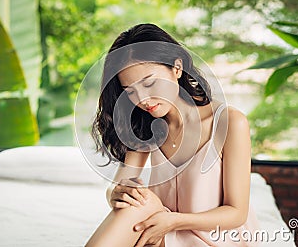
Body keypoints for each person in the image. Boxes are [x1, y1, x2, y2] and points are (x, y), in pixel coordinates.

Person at [86, 23, 260, 247]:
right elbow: (121, 184)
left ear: (177, 68)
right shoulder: (144, 126)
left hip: (216, 238)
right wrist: (117, 194)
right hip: (164, 232)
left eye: (149, 83)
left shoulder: (229, 122)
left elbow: (237, 213)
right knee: (139, 201)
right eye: (130, 91)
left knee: (143, 205)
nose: (143, 100)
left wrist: (174, 221)